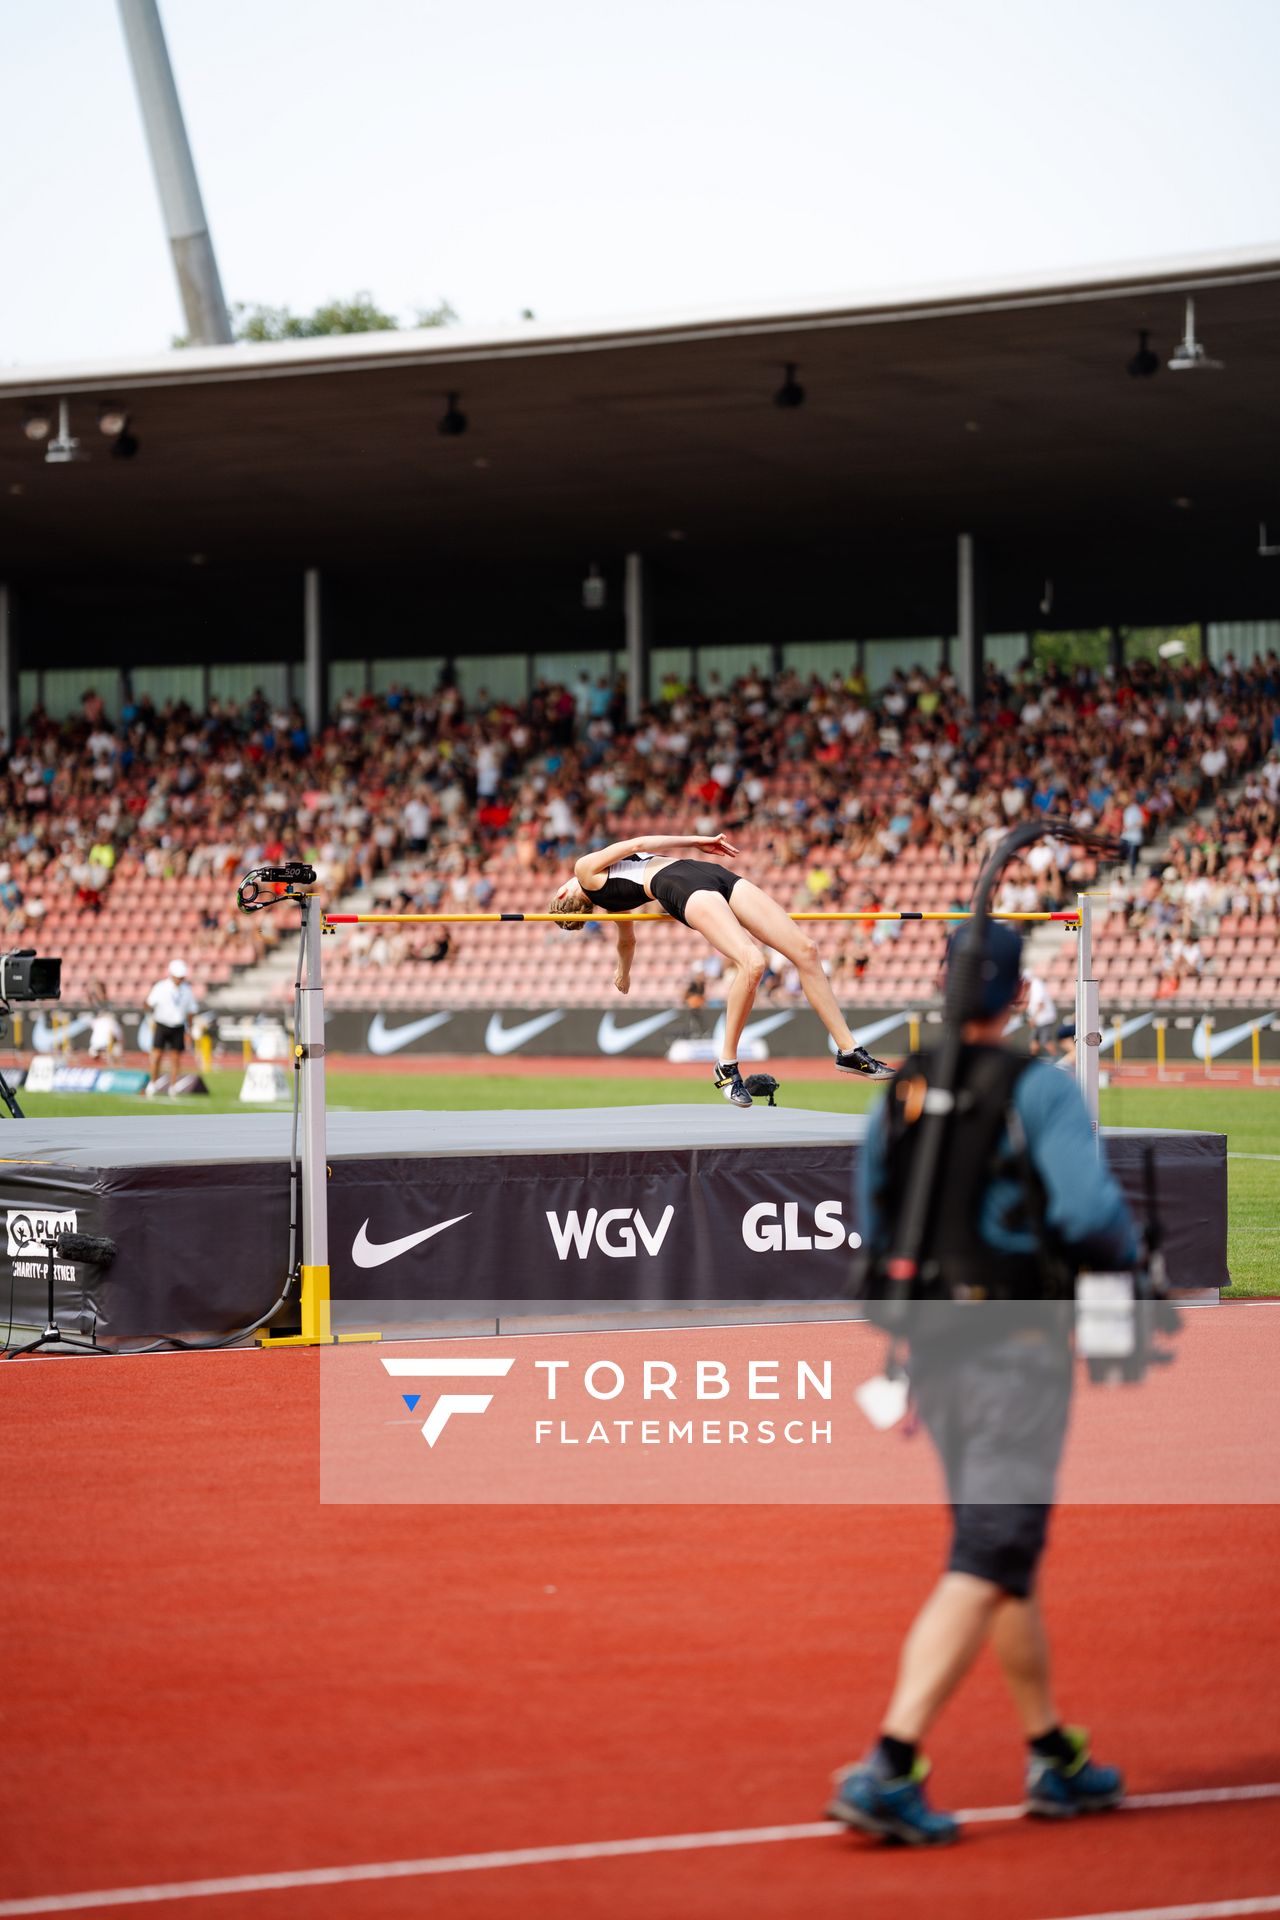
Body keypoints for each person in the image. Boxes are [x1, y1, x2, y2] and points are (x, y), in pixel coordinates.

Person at [828, 920, 1138, 1845]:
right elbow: (1091, 1215)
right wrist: (1119, 1268)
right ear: (1012, 996)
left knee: (1000, 1547)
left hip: (934, 1343)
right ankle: (889, 1761)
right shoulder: (1034, 1089)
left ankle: (1052, 1752)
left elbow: (873, 1219)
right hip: (1015, 1341)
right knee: (991, 1550)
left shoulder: (903, 1092)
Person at [548, 832, 888, 1107]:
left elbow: (627, 942)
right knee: (752, 962)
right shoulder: (583, 871)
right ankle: (726, 1065)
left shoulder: (609, 902)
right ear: (564, 891)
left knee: (806, 951)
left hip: (704, 873)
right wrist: (697, 839)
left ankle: (848, 1051)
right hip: (680, 883)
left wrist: (623, 972)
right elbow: (637, 844)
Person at [144, 958, 198, 1096]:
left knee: (176, 1058)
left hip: (178, 1026)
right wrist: (148, 1012)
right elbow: (149, 1003)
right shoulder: (161, 987)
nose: (180, 980)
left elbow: (191, 1011)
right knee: (156, 1055)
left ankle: (173, 1087)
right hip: (162, 1024)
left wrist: (189, 1029)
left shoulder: (187, 990)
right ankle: (153, 1083)